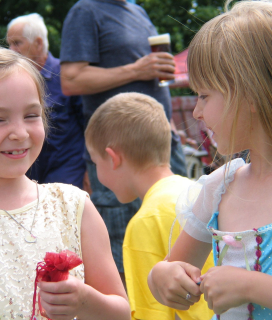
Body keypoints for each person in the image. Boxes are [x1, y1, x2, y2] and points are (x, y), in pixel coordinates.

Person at [148, 1, 272, 320]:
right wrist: (162, 277)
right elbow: (171, 268)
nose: (197, 112)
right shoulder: (220, 187)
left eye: (204, 95)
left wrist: (254, 286)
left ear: (252, 93)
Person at [0, 42, 130, 320]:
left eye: (31, 115)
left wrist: (85, 302)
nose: (20, 132)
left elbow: (121, 312)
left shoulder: (72, 206)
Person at [59, 0, 187, 276]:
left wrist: (172, 128)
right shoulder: (86, 11)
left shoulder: (137, 11)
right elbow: (70, 80)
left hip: (163, 143)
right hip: (119, 152)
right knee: (125, 248)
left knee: (178, 236)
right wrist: (136, 70)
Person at [85, 92, 214, 320]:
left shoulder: (145, 221)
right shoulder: (200, 194)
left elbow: (150, 315)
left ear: (113, 158)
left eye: (95, 163)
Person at [7, 13, 86, 188]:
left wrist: (91, 169)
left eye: (17, 43)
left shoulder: (65, 75)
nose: (11, 50)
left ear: (38, 43)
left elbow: (89, 123)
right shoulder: (13, 81)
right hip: (28, 172)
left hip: (67, 170)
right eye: (9, 44)